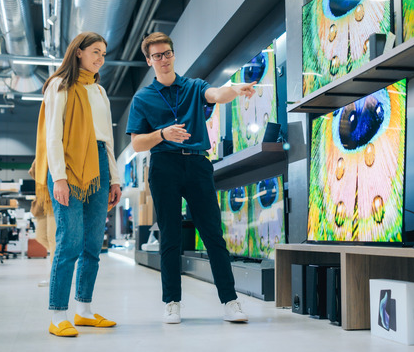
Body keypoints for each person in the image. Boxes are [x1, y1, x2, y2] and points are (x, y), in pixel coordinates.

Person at [127, 32, 255, 324]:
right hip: (163, 167)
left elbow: (216, 95)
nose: (163, 60)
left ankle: (230, 301)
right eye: (157, 56)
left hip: (197, 165)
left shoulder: (194, 86)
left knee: (212, 235)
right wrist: (162, 134)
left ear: (173, 54)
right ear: (149, 61)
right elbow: (136, 144)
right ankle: (172, 302)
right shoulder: (142, 98)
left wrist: (234, 88)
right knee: (170, 237)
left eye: (167, 53)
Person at [34, 31, 123, 337]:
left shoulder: (98, 91)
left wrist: (115, 179)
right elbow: (52, 136)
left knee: (92, 245)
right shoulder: (59, 85)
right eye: (95, 52)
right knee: (69, 242)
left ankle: (83, 310)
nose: (100, 58)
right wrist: (58, 176)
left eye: (103, 53)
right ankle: (58, 314)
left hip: (98, 165)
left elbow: (107, 140)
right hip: (68, 168)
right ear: (78, 53)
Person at [29, 160, 55, 287]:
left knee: (53, 240)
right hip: (42, 201)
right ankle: (65, 260)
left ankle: (55, 277)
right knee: (41, 236)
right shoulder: (42, 149)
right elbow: (33, 171)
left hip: (54, 198)